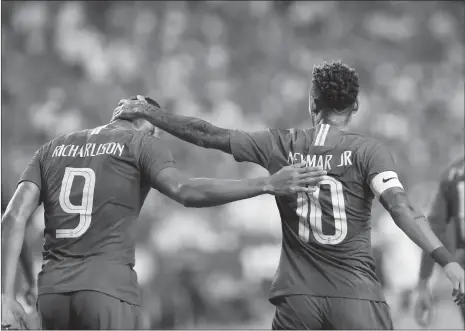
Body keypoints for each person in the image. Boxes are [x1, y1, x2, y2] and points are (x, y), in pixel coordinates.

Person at [113, 60, 465, 330]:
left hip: (298, 301)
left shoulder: (280, 144)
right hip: (357, 299)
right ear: (355, 106)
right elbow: (402, 209)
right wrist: (448, 262)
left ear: (313, 102)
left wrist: (148, 112)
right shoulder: (369, 152)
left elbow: (206, 134)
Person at [1, 99, 327, 330]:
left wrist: (10, 293)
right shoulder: (140, 143)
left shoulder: (51, 148)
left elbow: (14, 218)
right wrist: (267, 183)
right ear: (150, 126)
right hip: (108, 291)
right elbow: (186, 191)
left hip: (52, 293)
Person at [414, 156, 465, 327]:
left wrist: (423, 282)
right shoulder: (452, 175)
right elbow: (435, 227)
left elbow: (434, 229)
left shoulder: (453, 173)